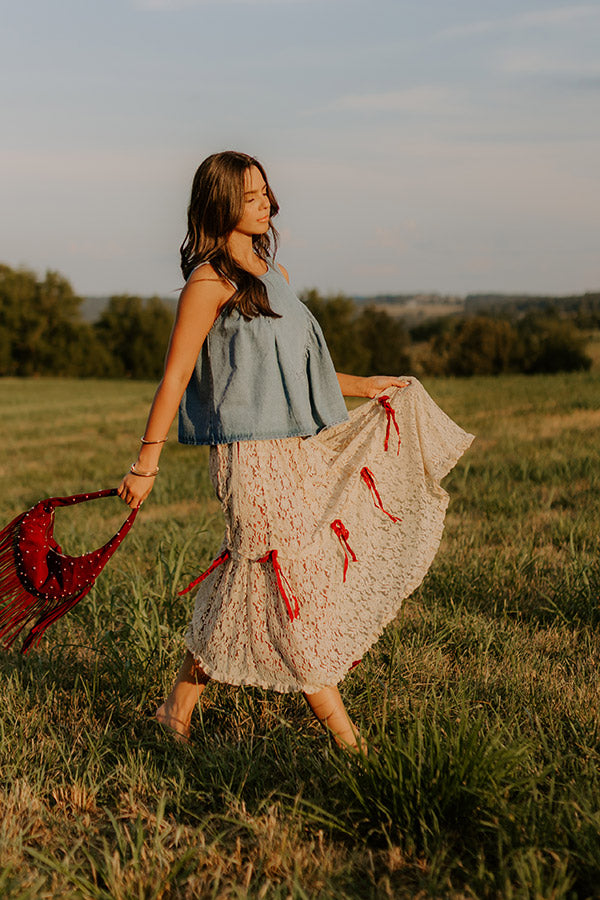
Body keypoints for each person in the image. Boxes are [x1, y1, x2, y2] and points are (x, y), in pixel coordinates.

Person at [118, 150, 473, 750]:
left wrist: (366, 386)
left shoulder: (272, 274)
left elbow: (297, 374)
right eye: (250, 194)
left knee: (252, 578)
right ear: (221, 202)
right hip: (247, 461)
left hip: (293, 451)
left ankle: (173, 713)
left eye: (265, 190)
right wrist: (145, 462)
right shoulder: (209, 283)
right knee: (287, 587)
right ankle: (347, 739)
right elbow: (175, 376)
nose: (266, 201)